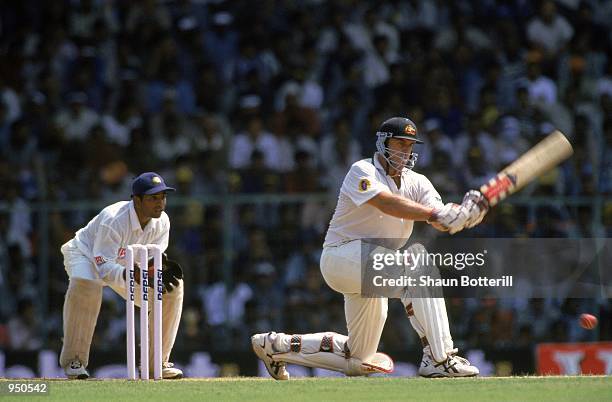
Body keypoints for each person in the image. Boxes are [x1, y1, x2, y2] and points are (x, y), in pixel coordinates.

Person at [251, 117, 488, 379]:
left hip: (374, 265)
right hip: (342, 256)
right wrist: (435, 215)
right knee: (418, 264)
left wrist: (463, 215)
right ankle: (440, 358)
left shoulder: (418, 182)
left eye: (410, 146)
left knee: (359, 360)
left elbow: (441, 216)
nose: (405, 151)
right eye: (399, 144)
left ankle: (274, 346)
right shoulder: (362, 170)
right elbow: (386, 203)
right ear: (383, 143)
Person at [59, 172, 184, 379]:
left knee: (172, 289)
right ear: (136, 200)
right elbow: (103, 265)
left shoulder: (163, 222)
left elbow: (154, 258)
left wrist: (153, 269)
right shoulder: (113, 219)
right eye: (153, 198)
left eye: (163, 197)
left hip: (128, 266)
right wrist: (132, 274)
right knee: (87, 283)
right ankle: (75, 360)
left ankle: (156, 364)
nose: (160, 203)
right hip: (87, 255)